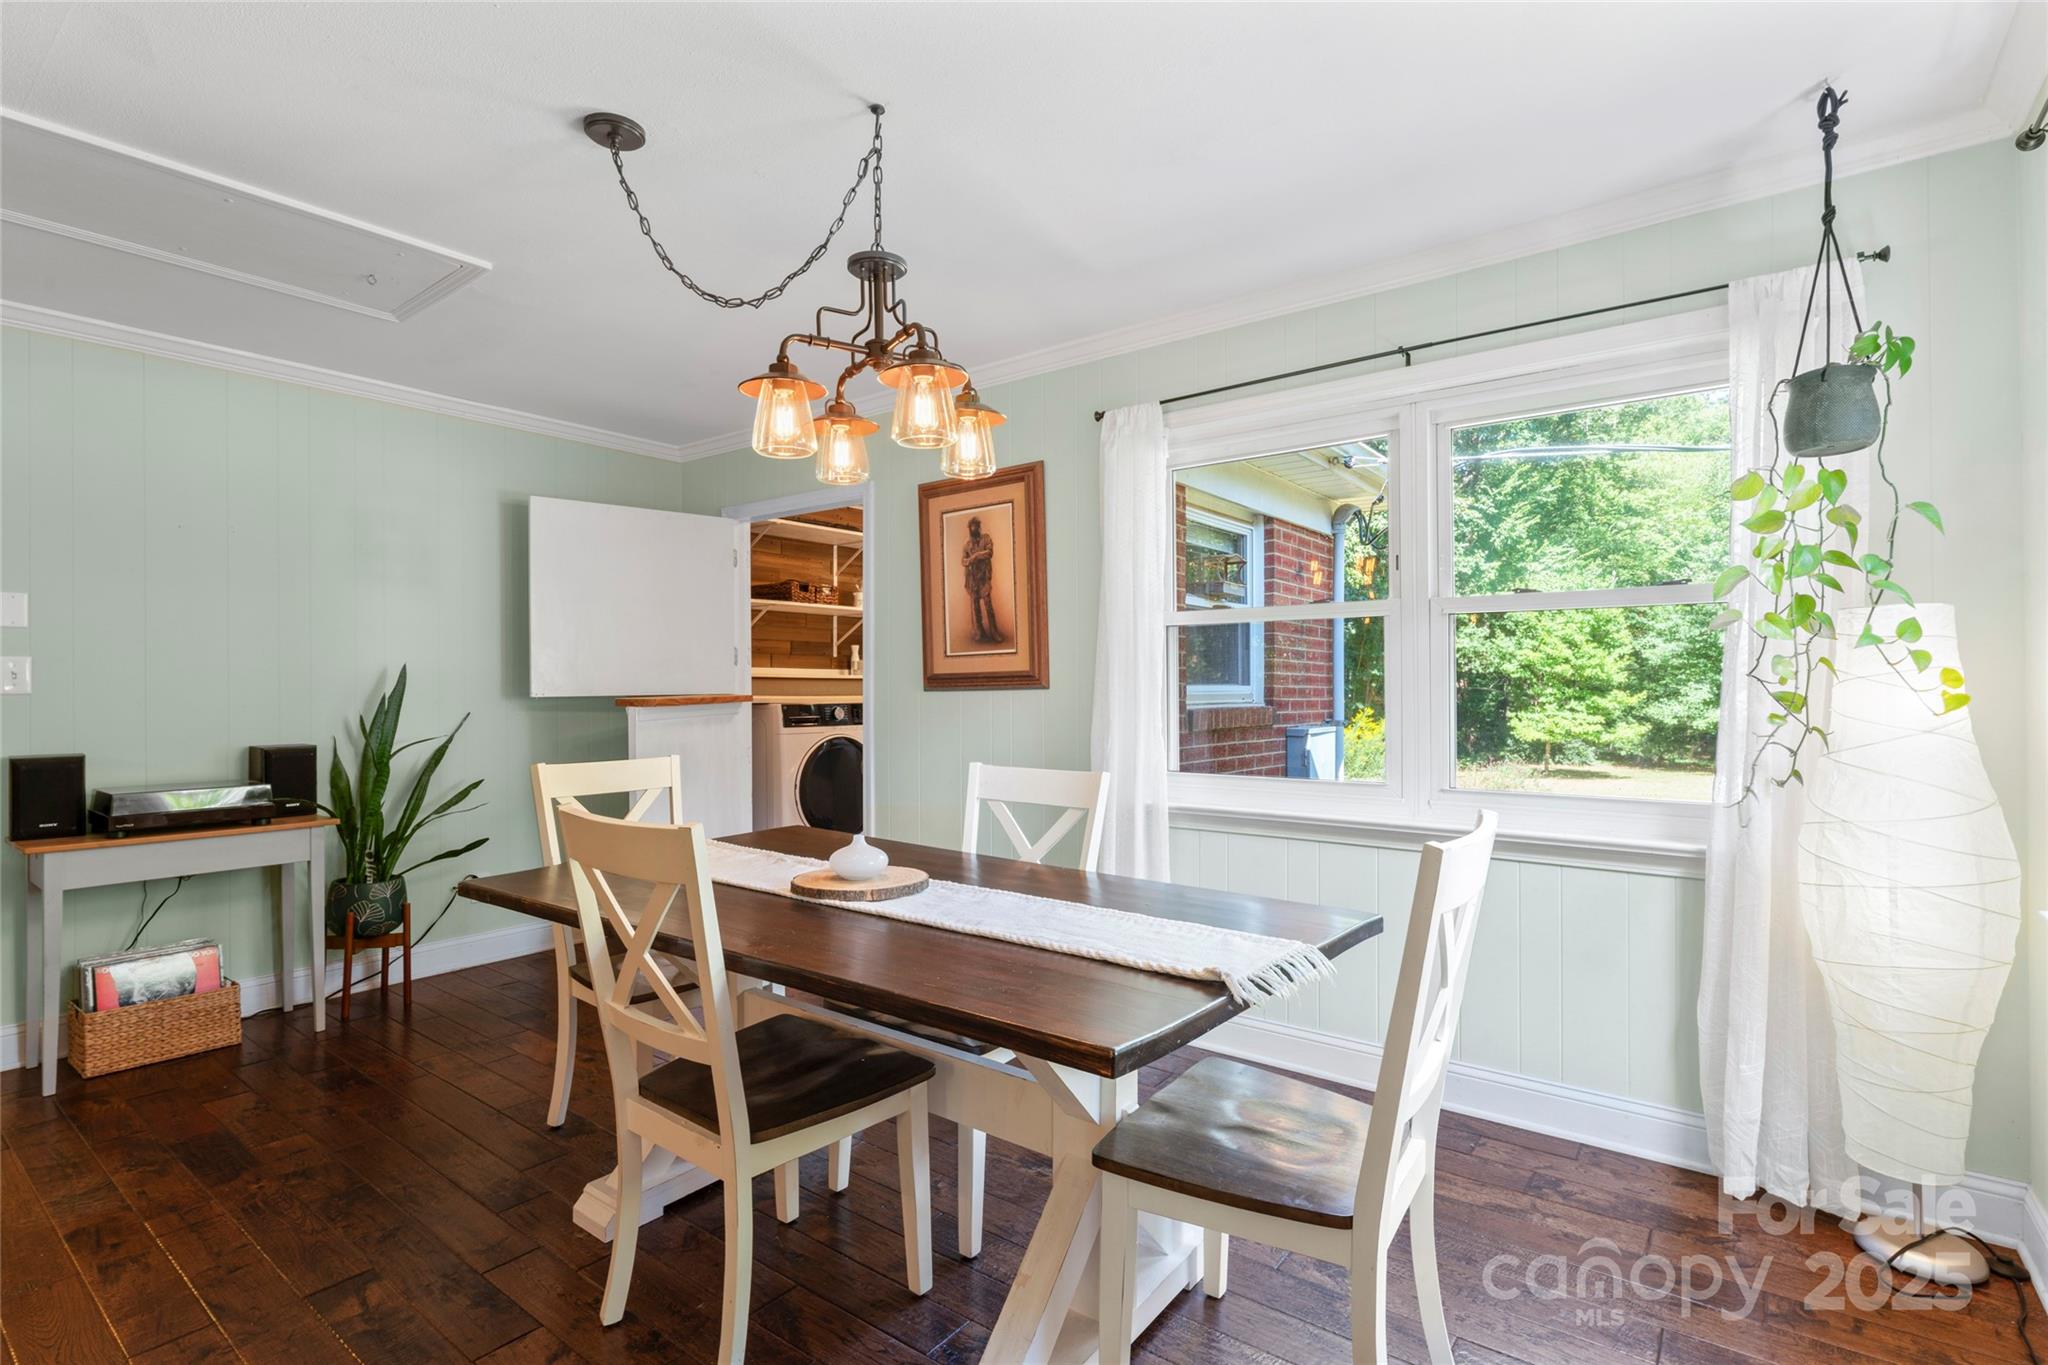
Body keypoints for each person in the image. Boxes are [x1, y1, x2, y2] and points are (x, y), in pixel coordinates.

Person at [961, 516, 1001, 644]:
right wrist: (968, 561)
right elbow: (963, 561)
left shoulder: (986, 538)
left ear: (979, 527)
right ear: (969, 529)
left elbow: (989, 553)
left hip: (983, 577)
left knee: (988, 604)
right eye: (971, 527)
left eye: (976, 526)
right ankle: (980, 632)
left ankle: (994, 632)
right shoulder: (967, 544)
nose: (974, 528)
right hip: (973, 579)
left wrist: (976, 556)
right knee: (976, 606)